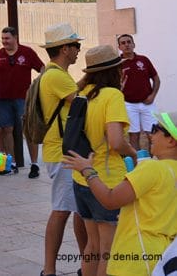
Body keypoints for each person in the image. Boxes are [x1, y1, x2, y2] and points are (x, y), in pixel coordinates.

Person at [64, 110, 177, 276]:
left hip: (135, 257)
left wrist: (87, 170)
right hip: (163, 256)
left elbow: (110, 200)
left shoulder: (152, 168)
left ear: (172, 140)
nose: (150, 135)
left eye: (155, 129)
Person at [68, 45, 137, 276]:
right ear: (115, 70)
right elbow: (116, 142)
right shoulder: (112, 95)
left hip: (81, 177)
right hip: (107, 180)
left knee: (92, 246)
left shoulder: (82, 94)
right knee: (109, 249)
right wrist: (134, 153)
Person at [38, 23, 87, 276]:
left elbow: (75, 95)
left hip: (64, 151)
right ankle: (49, 270)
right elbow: (82, 104)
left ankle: (85, 265)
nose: (79, 50)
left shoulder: (57, 74)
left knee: (79, 210)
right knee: (62, 210)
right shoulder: (56, 76)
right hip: (62, 152)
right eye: (76, 46)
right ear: (65, 49)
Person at [0, 26, 44, 177]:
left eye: (7, 38)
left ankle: (34, 164)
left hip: (23, 99)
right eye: (2, 39)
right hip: (3, 99)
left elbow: (42, 69)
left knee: (27, 130)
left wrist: (36, 89)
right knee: (6, 130)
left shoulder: (27, 52)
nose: (4, 42)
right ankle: (11, 163)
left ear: (15, 38)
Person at [118, 34, 160, 152]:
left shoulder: (144, 60)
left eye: (128, 42)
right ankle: (138, 165)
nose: (126, 45)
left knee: (153, 134)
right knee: (134, 136)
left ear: (133, 44)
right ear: (119, 47)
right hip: (129, 105)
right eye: (123, 43)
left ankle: (155, 162)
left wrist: (152, 96)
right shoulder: (118, 64)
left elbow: (156, 79)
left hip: (148, 104)